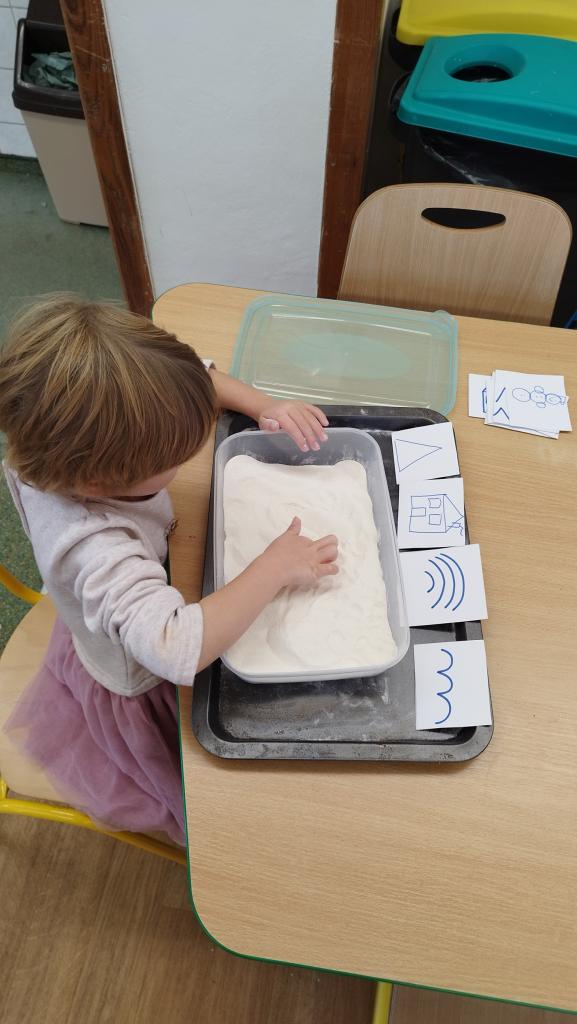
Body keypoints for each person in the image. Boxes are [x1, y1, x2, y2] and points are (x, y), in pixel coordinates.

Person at [0, 296, 338, 844]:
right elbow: (176, 648)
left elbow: (195, 380)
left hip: (122, 598)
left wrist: (263, 404)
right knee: (210, 792)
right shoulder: (95, 548)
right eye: (173, 458)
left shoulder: (54, 442)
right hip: (136, 679)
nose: (187, 457)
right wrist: (274, 567)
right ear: (99, 482)